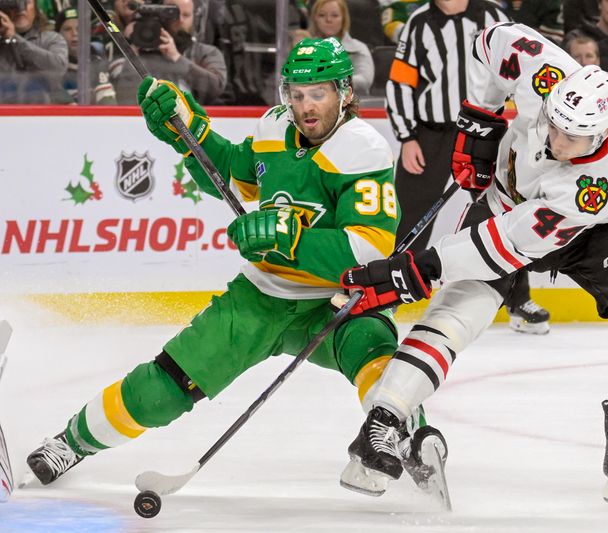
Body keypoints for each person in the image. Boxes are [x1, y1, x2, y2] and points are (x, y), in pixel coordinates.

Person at [25, 38, 441, 496]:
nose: (305, 106)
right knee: (162, 389)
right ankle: (72, 442)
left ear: (344, 92)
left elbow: (369, 249)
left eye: (317, 93)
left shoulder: (362, 148)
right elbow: (231, 172)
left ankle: (410, 441)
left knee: (378, 356)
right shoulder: (273, 127)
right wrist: (187, 132)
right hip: (261, 298)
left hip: (336, 302)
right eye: (296, 94)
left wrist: (290, 237)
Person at [338, 23, 608, 509]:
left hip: (592, 229)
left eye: (572, 136)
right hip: (507, 202)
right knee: (457, 313)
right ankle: (382, 423)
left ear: (603, 132)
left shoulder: (594, 186)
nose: (555, 139)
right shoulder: (548, 75)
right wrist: (480, 118)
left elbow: (503, 246)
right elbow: (490, 40)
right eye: (552, 122)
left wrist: (414, 270)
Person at [387, 0, 551, 335]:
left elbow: (524, 71)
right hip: (429, 134)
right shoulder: (419, 22)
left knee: (502, 213)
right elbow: (400, 82)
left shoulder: (494, 16)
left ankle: (517, 298)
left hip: (484, 131)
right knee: (409, 217)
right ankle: (388, 295)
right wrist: (407, 137)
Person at [109, 0, 227, 104]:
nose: (180, 20)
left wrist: (177, 58)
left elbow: (217, 87)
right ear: (162, 16)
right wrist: (132, 53)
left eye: (186, 15)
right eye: (174, 14)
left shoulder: (205, 52)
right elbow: (120, 95)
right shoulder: (137, 49)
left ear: (194, 18)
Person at [0, 0, 67, 103]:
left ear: (35, 9)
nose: (21, 8)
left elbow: (58, 68)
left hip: (39, 114)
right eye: (14, 3)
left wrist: (14, 38)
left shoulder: (51, 39)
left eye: (26, 2)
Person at [309, 0, 374, 96]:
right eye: (322, 15)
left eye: (334, 15)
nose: (328, 20)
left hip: (352, 106)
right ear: (315, 19)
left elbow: (364, 81)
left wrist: (332, 79)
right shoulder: (305, 49)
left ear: (343, 19)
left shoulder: (358, 48)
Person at [54, 7, 116, 104]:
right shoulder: (52, 67)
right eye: (67, 29)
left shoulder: (98, 64)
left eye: (79, 28)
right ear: (57, 35)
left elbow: (109, 107)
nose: (74, 33)